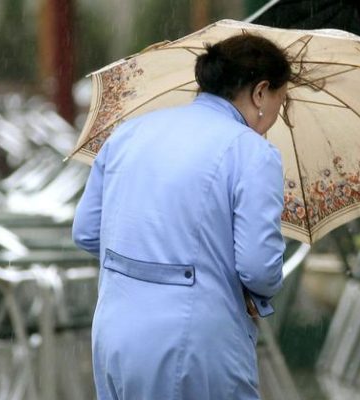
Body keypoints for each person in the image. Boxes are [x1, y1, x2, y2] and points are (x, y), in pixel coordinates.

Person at [72, 33, 291, 400]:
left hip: (114, 333)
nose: (275, 118)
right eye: (280, 104)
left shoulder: (129, 132)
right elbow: (259, 268)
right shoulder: (252, 152)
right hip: (196, 344)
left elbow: (86, 232)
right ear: (260, 92)